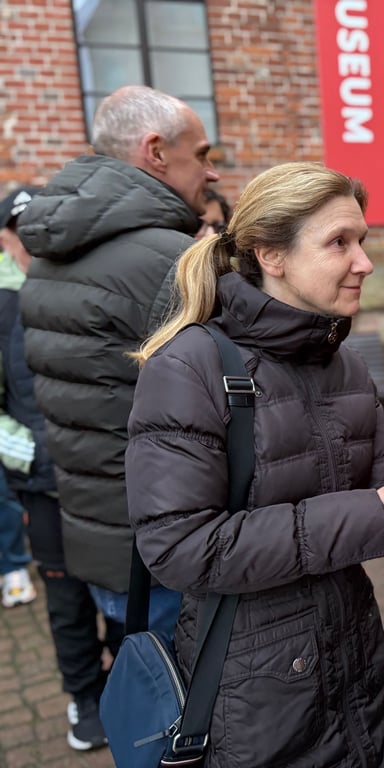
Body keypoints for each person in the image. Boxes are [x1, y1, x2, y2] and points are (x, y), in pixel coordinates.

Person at [124, 161, 384, 767]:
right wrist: (370, 515)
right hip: (252, 692)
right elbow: (179, 547)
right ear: (271, 255)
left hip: (358, 665)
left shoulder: (345, 363)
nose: (365, 262)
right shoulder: (189, 366)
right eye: (339, 243)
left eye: (362, 240)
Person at [16, 85, 220, 640]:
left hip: (102, 544)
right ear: (156, 151)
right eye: (201, 154)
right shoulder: (174, 263)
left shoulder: (46, 260)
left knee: (143, 675)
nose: (212, 172)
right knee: (197, 689)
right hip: (172, 551)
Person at [0, 186, 109, 751]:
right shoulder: (2, 305)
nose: (34, 239)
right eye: (22, 230)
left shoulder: (87, 285)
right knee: (67, 601)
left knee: (122, 585)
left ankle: (130, 680)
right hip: (46, 486)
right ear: (6, 239)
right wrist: (35, 457)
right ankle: (85, 697)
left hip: (107, 478)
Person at [0, 190, 35, 610]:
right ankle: (13, 565)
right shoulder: (4, 298)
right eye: (18, 229)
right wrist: (25, 449)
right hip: (26, 444)